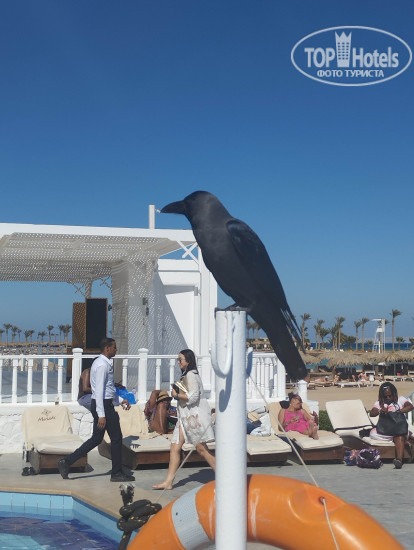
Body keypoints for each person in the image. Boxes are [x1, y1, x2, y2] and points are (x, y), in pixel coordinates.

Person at [58, 337, 135, 482]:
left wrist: (120, 400)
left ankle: (66, 462)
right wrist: (101, 415)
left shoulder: (104, 363)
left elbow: (107, 389)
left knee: (96, 439)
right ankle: (116, 473)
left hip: (104, 404)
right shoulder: (102, 365)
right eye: (114, 347)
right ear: (107, 348)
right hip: (103, 407)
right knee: (116, 438)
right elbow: (98, 391)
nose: (116, 349)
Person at [152, 349, 215, 490]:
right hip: (185, 417)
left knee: (201, 449)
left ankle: (223, 476)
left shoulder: (191, 375)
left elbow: (193, 397)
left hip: (194, 416)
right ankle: (168, 482)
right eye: (178, 359)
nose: (178, 362)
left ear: (188, 360)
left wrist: (176, 395)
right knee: (175, 447)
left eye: (180, 359)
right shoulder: (186, 375)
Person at [369, 382, 413, 469]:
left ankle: (399, 460)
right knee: (372, 433)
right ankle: (402, 441)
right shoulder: (379, 403)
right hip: (385, 431)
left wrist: (399, 411)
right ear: (382, 396)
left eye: (390, 396)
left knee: (399, 436)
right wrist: (380, 410)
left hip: (398, 429)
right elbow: (372, 413)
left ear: (394, 393)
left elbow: (410, 406)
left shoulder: (400, 399)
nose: (388, 398)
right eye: (386, 396)